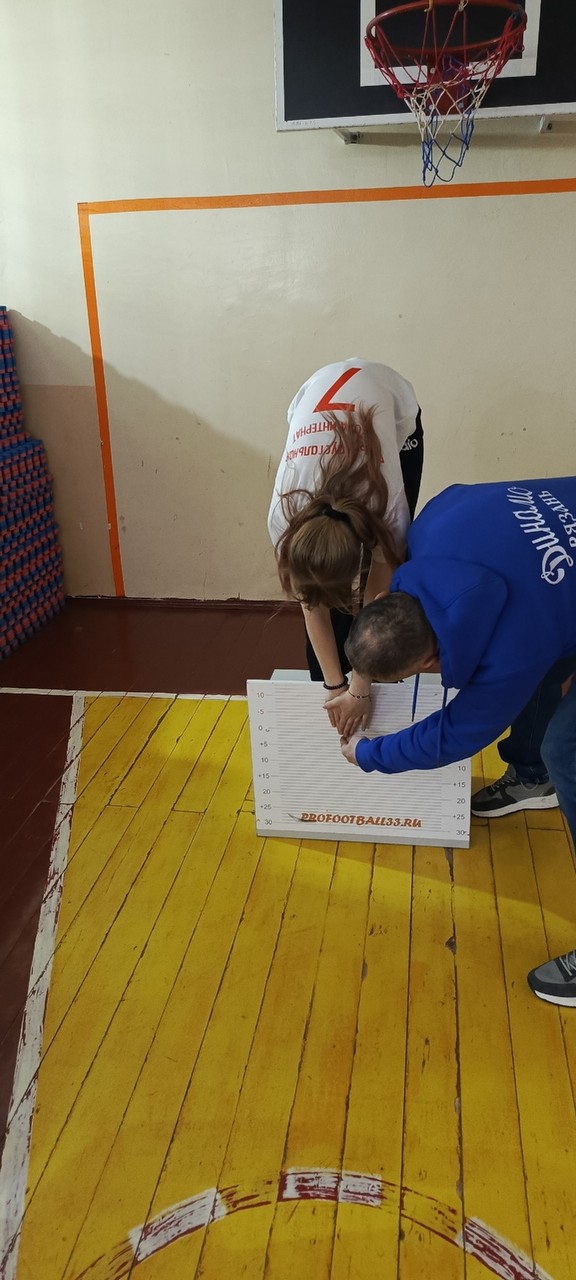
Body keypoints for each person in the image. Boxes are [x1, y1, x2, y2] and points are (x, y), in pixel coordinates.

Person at [340, 476, 576, 1007]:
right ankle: (531, 778)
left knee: (567, 749)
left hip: (547, 608)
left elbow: (453, 736)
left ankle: (545, 768)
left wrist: (369, 754)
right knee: (552, 654)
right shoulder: (431, 526)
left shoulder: (511, 651)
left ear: (428, 661)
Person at [268, 359, 423, 739]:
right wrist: (335, 687)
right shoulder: (281, 521)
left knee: (378, 601)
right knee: (325, 610)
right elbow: (311, 608)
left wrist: (361, 687)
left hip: (390, 403)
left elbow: (376, 602)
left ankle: (378, 680)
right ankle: (333, 675)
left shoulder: (388, 511)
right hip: (313, 392)